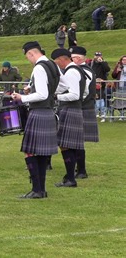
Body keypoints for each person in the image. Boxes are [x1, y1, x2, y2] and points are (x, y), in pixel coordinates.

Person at [11, 42, 59, 198]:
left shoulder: (39, 68)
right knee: (42, 153)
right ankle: (41, 190)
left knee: (30, 152)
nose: (28, 60)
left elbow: (43, 95)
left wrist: (22, 97)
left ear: (31, 53)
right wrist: (32, 88)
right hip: (48, 112)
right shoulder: (52, 65)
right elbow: (55, 88)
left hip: (38, 111)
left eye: (27, 57)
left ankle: (37, 190)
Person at [51, 48, 86, 188]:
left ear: (62, 59)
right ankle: (69, 176)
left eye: (56, 62)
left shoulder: (71, 72)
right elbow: (86, 92)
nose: (56, 65)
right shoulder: (78, 70)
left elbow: (74, 95)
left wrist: (56, 97)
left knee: (66, 146)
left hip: (69, 109)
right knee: (69, 145)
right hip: (74, 109)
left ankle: (71, 179)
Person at [72, 46, 98, 179]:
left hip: (83, 107)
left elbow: (85, 91)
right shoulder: (79, 70)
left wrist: (75, 100)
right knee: (76, 140)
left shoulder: (84, 71)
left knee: (78, 140)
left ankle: (81, 170)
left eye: (72, 58)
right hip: (82, 107)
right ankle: (79, 168)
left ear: (77, 58)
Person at [89, 52, 110, 120]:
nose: (98, 57)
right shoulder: (91, 63)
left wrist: (102, 62)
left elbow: (107, 69)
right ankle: (95, 113)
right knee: (94, 99)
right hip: (92, 84)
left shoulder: (104, 63)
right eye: (96, 56)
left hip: (101, 85)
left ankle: (102, 114)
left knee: (101, 99)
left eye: (99, 56)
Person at [111, 55, 126, 119]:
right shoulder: (118, 66)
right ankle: (121, 115)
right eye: (123, 59)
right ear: (121, 60)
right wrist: (117, 71)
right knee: (120, 100)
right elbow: (113, 76)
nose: (124, 61)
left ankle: (123, 115)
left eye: (125, 59)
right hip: (120, 86)